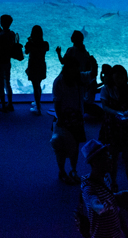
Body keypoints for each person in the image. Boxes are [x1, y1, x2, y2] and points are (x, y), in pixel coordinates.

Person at [80, 139, 128, 238]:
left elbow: (116, 210)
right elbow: (94, 204)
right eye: (105, 157)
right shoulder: (88, 187)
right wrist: (102, 208)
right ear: (94, 162)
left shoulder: (105, 179)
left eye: (109, 155)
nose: (111, 160)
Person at [99, 65, 128, 193]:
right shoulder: (106, 89)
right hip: (111, 126)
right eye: (116, 78)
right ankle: (113, 184)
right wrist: (118, 112)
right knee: (112, 157)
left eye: (121, 78)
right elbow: (104, 107)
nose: (119, 80)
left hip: (126, 127)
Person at [51, 54, 86, 185]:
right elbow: (57, 103)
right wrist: (60, 119)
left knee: (75, 147)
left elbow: (90, 77)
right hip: (63, 119)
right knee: (60, 146)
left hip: (76, 118)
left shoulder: (78, 79)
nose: (76, 71)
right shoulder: (59, 81)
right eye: (74, 68)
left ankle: (73, 170)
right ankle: (62, 171)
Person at [0, 14, 20, 112]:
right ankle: (10, 104)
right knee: (7, 83)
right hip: (7, 62)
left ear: (2, 22)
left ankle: (3, 106)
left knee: (0, 84)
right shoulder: (12, 34)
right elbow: (4, 34)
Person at [24, 25, 49, 115]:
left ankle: (38, 108)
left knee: (35, 86)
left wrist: (30, 41)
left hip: (34, 66)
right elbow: (46, 49)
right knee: (38, 85)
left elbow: (26, 52)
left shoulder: (30, 44)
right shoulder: (45, 43)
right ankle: (37, 102)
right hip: (41, 65)